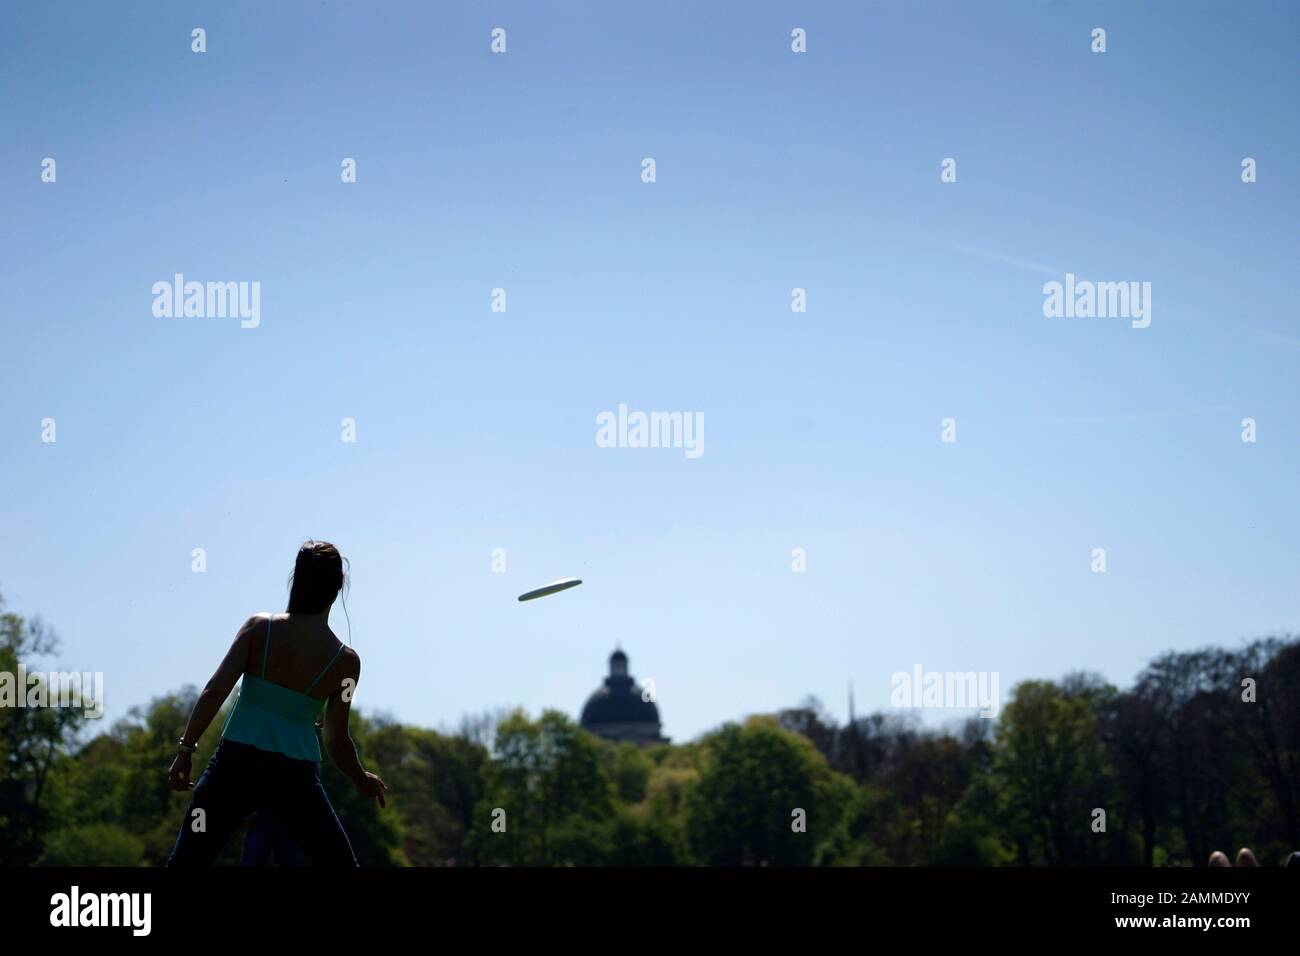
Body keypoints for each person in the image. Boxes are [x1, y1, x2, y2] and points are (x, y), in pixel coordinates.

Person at [165, 540, 387, 865]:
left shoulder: (259, 629)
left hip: (235, 766)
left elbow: (215, 691)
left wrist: (186, 751)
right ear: (339, 586)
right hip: (295, 779)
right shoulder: (345, 663)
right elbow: (337, 738)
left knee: (187, 861)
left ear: (296, 579)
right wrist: (359, 777)